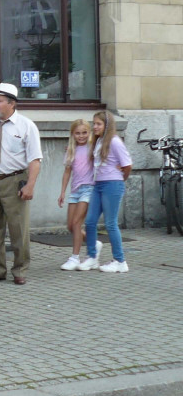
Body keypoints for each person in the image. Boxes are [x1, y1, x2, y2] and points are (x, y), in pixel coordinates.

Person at [0, 82, 42, 285]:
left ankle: (20, 269)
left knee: (18, 228)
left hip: (15, 180)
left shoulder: (26, 126)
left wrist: (30, 185)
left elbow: (35, 159)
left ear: (11, 103)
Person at [80, 110, 132, 274]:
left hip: (112, 184)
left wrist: (120, 179)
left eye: (98, 124)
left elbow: (127, 164)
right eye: (93, 123)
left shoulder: (115, 141)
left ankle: (120, 261)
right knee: (89, 221)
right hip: (98, 184)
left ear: (107, 125)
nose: (94, 127)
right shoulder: (98, 141)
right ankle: (92, 257)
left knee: (110, 223)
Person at [57, 119, 93, 271]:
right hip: (75, 190)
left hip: (89, 188)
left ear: (89, 133)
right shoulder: (71, 150)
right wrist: (63, 192)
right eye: (77, 133)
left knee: (77, 223)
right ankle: (93, 243)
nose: (81, 136)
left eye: (84, 132)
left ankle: (75, 257)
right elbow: (67, 172)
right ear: (72, 134)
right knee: (71, 226)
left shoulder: (93, 148)